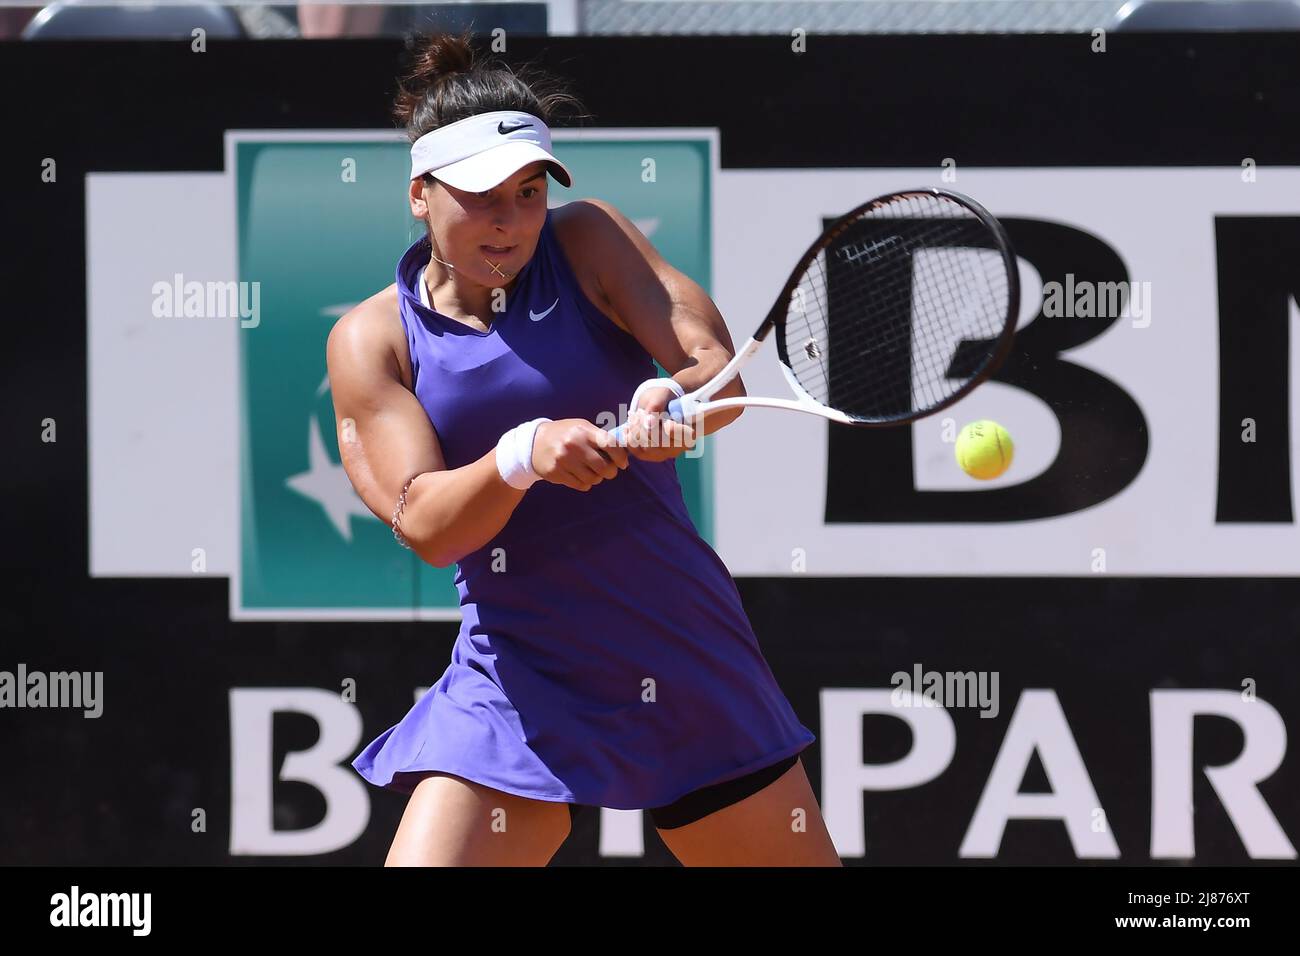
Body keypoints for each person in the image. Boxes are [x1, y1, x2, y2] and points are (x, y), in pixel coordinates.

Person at [328, 29, 841, 866]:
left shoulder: (588, 239)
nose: (511, 220)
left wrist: (668, 397)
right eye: (482, 196)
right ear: (420, 194)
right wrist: (520, 455)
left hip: (675, 648)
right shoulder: (370, 340)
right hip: (515, 675)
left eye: (529, 193)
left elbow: (717, 374)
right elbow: (424, 524)